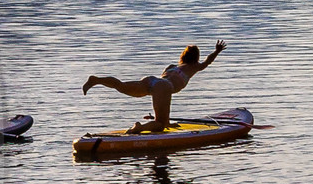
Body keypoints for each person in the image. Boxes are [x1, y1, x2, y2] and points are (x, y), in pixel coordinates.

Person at [82, 40, 226, 133]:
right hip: (164, 86)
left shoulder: (172, 66)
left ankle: (96, 80)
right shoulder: (193, 66)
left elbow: (160, 83)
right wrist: (217, 51)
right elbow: (208, 62)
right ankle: (139, 128)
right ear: (195, 58)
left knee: (121, 86)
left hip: (152, 80)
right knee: (160, 124)